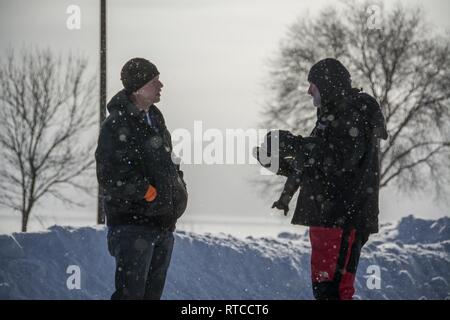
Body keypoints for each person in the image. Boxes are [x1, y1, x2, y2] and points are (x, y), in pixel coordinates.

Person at [255, 58, 388, 300]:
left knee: (334, 292)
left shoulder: (351, 113)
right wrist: (275, 163)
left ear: (326, 85)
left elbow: (338, 159)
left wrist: (293, 144)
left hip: (341, 218)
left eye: (312, 85)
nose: (308, 91)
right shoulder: (332, 117)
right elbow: (316, 168)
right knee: (327, 291)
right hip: (328, 218)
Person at [95, 58, 188, 300]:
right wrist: (147, 192)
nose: (161, 85)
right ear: (138, 87)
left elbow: (169, 164)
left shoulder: (155, 119)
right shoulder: (116, 124)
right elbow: (110, 174)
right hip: (132, 226)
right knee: (131, 296)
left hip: (162, 224)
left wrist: (178, 187)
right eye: (154, 81)